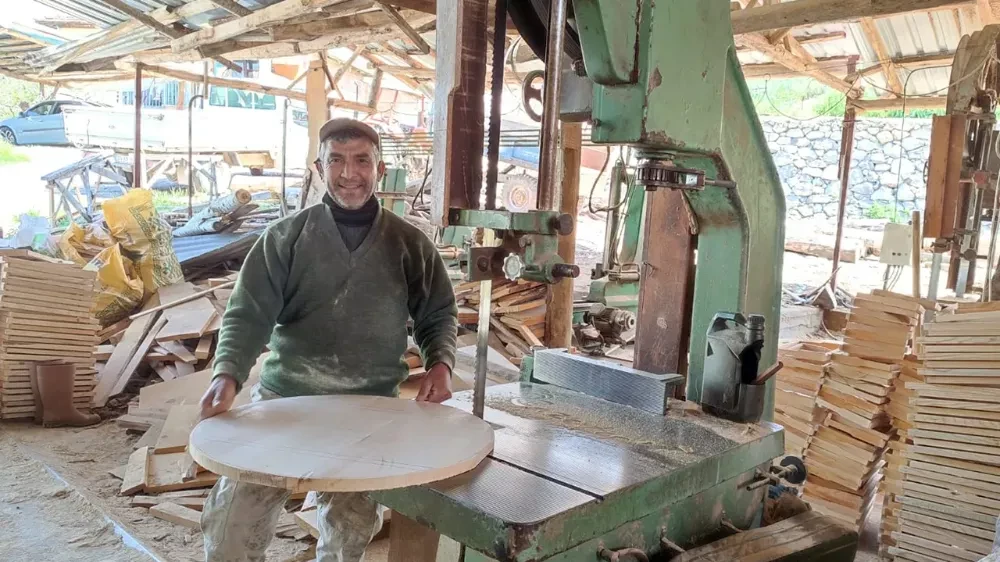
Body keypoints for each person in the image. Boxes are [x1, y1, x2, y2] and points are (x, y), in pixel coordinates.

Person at [197, 118, 458, 562]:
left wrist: (440, 363)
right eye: (336, 160)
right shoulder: (285, 238)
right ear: (319, 168)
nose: (349, 173)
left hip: (370, 408)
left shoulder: (409, 243)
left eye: (362, 161)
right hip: (285, 401)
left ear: (380, 168)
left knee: (348, 537)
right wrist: (228, 374)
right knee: (233, 526)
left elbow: (437, 312)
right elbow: (248, 313)